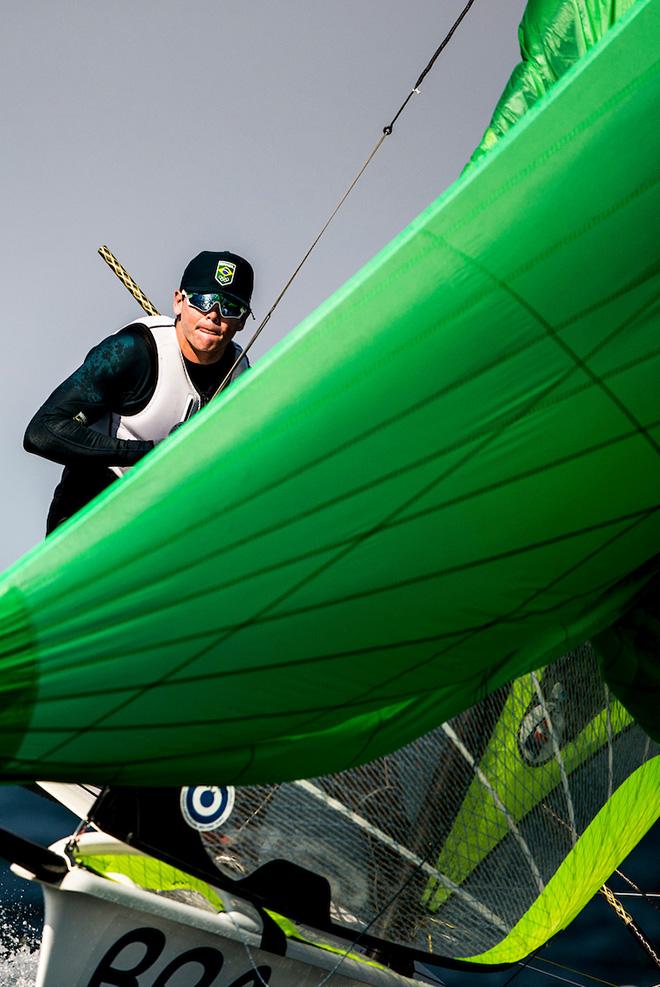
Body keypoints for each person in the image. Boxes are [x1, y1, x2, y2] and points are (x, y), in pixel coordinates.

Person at [24, 250, 254, 533]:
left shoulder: (240, 375)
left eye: (230, 306)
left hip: (166, 516)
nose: (213, 316)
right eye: (203, 301)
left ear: (242, 320)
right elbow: (42, 431)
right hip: (93, 506)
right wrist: (153, 451)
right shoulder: (133, 351)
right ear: (179, 302)